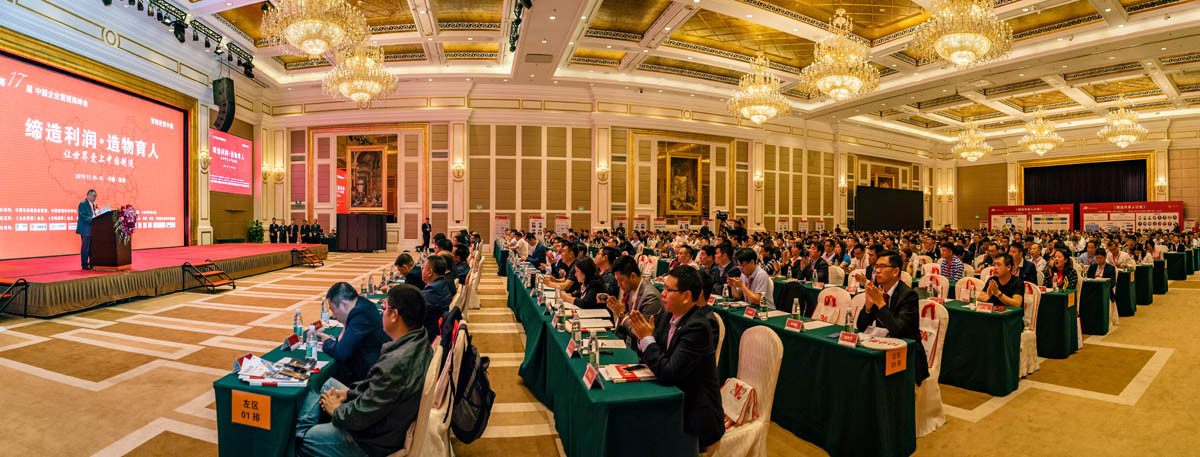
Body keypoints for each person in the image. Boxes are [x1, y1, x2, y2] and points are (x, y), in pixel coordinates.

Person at [295, 284, 432, 457]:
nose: (382, 313)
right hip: (385, 419)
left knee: (303, 440)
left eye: (385, 308)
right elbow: (377, 392)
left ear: (394, 315)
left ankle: (302, 438)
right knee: (325, 383)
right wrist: (348, 393)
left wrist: (336, 410)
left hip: (371, 441)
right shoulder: (420, 340)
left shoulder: (396, 363)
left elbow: (363, 414)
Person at [628, 266, 724, 453]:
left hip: (694, 418)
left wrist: (647, 339)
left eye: (668, 290)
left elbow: (668, 372)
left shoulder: (698, 327)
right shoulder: (669, 316)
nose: (662, 294)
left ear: (686, 296)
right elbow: (656, 358)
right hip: (674, 403)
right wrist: (646, 339)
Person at [854, 250, 929, 385]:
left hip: (907, 354)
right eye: (876, 266)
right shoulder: (879, 291)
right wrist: (868, 308)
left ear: (895, 271)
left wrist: (881, 304)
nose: (877, 271)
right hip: (883, 347)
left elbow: (899, 330)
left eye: (882, 266)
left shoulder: (908, 295)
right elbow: (861, 327)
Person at [317, 282, 392, 385]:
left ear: (344, 304)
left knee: (325, 384)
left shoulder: (360, 315)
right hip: (377, 367)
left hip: (370, 379)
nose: (333, 315)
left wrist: (327, 342)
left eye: (333, 309)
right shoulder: (363, 304)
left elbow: (340, 353)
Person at [606, 255, 664, 344]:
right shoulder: (632, 289)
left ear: (633, 276)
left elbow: (642, 335)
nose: (618, 285)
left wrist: (622, 314)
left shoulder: (650, 297)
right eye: (617, 280)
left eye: (621, 280)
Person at [420, 255, 454, 341]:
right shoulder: (442, 283)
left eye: (423, 268)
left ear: (430, 272)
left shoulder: (432, 291)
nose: (421, 271)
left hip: (428, 335)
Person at [76, 189, 97, 270]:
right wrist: (93, 219)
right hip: (85, 229)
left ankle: (92, 263)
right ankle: (84, 264)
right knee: (85, 248)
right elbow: (82, 216)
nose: (95, 197)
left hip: (92, 229)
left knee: (92, 248)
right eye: (93, 196)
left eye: (95, 196)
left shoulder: (93, 204)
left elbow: (93, 215)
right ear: (88, 195)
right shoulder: (83, 204)